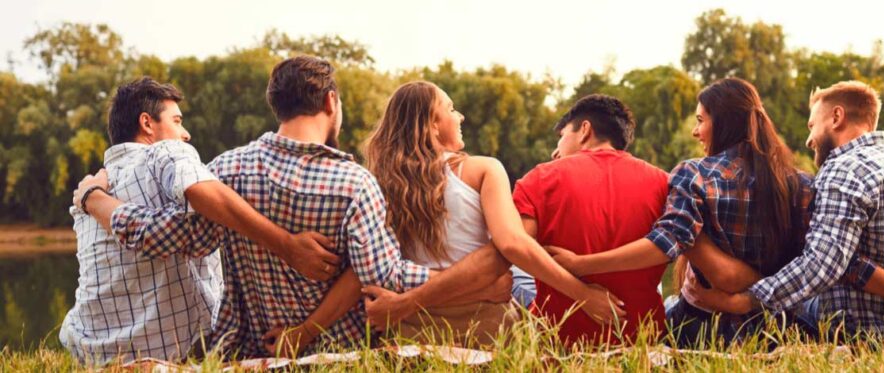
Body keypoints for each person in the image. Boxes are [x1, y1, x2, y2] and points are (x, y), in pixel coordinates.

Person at [74, 57, 510, 358]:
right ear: (331, 102)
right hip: (341, 354)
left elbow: (166, 237)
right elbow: (383, 277)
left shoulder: (226, 169)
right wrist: (474, 283)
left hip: (258, 351)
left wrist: (96, 199)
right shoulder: (354, 182)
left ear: (277, 105)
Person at [547, 78, 884, 347]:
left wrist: (583, 264)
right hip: (777, 327)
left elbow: (664, 244)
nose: (695, 130)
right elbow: (845, 265)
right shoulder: (800, 183)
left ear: (722, 122)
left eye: (700, 120)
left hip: (703, 325)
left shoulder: (694, 175)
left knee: (664, 315)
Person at [294, 81, 625, 347]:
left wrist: (305, 331)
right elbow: (512, 246)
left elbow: (360, 271)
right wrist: (582, 294)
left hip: (415, 331)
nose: (461, 116)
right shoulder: (483, 170)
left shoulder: (378, 185)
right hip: (485, 327)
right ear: (432, 124)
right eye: (451, 109)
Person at [681, 80, 884, 351]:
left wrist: (744, 302)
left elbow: (821, 265)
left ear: (836, 117)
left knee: (752, 312)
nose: (808, 140)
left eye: (812, 126)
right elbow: (848, 263)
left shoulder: (844, 170)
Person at [61, 77, 341, 364]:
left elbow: (161, 230)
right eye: (177, 121)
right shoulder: (164, 151)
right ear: (147, 123)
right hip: (170, 353)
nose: (185, 134)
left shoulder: (88, 193)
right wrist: (287, 246)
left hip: (93, 353)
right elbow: (202, 191)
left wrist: (93, 198)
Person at [501, 93, 669, 345]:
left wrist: (582, 294)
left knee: (515, 271)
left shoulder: (541, 178)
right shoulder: (664, 182)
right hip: (641, 340)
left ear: (584, 130)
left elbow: (517, 248)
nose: (556, 149)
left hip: (558, 341)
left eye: (561, 136)